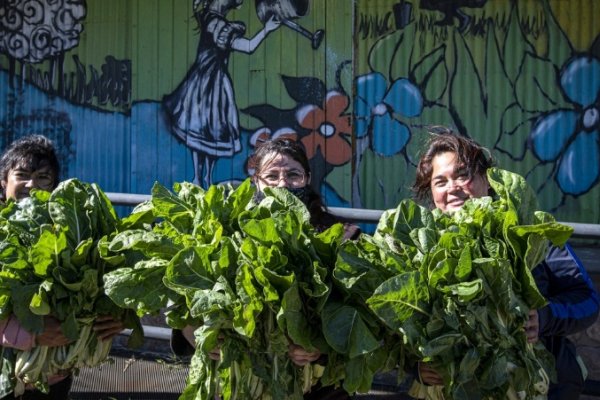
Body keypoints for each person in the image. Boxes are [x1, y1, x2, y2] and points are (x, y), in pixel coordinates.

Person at [410, 130, 600, 400]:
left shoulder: (531, 230)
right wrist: (416, 367)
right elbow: (402, 326)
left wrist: (545, 317)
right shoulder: (420, 245)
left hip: (540, 385)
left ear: (487, 180)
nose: (452, 187)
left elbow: (588, 300)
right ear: (432, 193)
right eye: (440, 181)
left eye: (462, 175)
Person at [171, 137, 360, 399]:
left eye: (293, 174)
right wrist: (193, 332)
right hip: (246, 382)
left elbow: (356, 310)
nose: (283, 183)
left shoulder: (340, 235)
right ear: (256, 181)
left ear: (306, 179)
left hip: (319, 389)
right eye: (272, 175)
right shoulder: (230, 234)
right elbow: (183, 294)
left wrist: (318, 345)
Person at [0, 135, 124, 399]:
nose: (31, 185)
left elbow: (104, 289)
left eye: (43, 177)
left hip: (54, 377)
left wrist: (114, 317)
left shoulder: (69, 231)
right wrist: (28, 335)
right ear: (3, 181)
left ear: (53, 184)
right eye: (21, 175)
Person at [163, 0, 280, 188]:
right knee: (205, 127)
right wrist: (267, 29)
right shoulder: (216, 24)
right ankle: (201, 178)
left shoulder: (210, 18)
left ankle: (204, 178)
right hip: (210, 81)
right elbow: (248, 47)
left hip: (207, 80)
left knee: (208, 128)